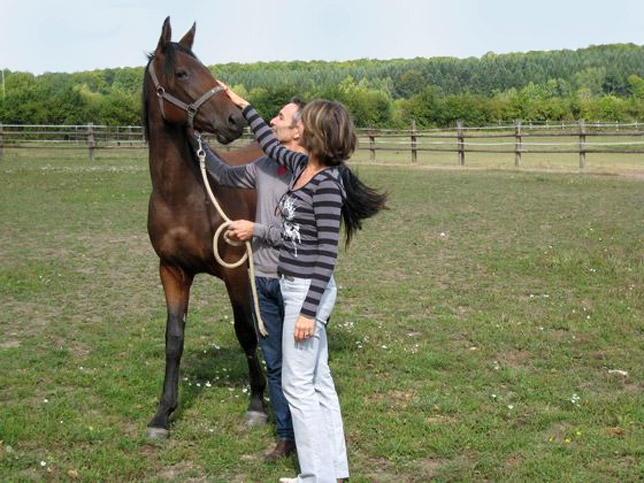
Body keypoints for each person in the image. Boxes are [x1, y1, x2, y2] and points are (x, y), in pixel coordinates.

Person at [224, 87, 388, 483]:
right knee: (319, 382)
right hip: (297, 287)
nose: (296, 127)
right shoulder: (301, 168)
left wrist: (309, 312)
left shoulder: (328, 184)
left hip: (305, 292)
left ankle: (316, 476)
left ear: (317, 134)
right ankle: (334, 471)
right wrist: (246, 107)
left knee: (299, 387)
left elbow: (326, 256)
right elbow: (266, 139)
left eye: (304, 122)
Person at [197, 99, 306, 462]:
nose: (274, 121)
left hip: (296, 280)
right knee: (274, 363)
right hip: (263, 279)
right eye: (272, 116)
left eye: (280, 117)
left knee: (302, 368)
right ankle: (286, 437)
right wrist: (200, 147)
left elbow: (299, 232)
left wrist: (254, 228)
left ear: (299, 130)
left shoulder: (307, 172)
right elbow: (226, 175)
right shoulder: (262, 166)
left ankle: (311, 438)